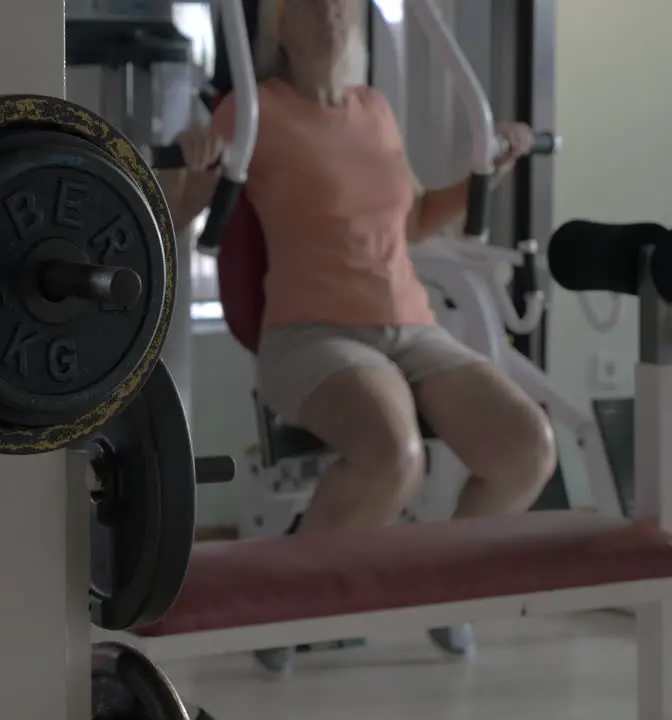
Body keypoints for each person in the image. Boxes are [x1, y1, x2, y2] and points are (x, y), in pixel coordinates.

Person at [161, 0, 558, 674]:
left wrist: (491, 170)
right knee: (394, 455)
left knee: (527, 446)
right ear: (279, 25)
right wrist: (193, 163)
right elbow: (176, 215)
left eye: (342, 3)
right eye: (312, 5)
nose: (332, 14)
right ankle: (287, 605)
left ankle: (441, 592)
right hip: (311, 334)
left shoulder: (374, 109)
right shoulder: (253, 111)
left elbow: (413, 223)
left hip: (411, 326)